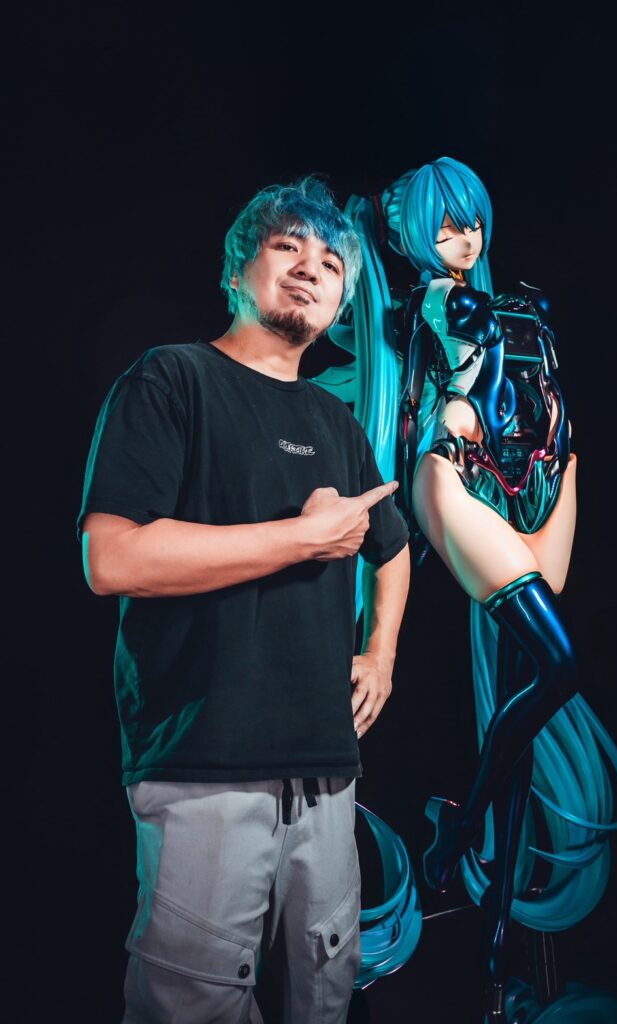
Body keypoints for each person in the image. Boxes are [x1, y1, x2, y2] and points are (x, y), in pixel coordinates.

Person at [77, 176, 411, 1024]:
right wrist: (300, 539)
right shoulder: (170, 379)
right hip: (203, 766)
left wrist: (379, 655)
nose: (309, 268)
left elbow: (392, 545)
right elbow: (112, 559)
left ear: (342, 302)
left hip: (326, 772)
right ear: (236, 270)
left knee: (324, 996)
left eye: (330, 263)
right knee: (192, 1005)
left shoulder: (337, 424)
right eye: (286, 246)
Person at [313, 157, 617, 1018]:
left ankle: (497, 937)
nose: (463, 237)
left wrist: (561, 462)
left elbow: (541, 388)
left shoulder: (513, 298)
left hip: (537, 480)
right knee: (558, 667)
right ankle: (459, 826)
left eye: (471, 222)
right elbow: (448, 367)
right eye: (444, 225)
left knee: (526, 700)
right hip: (455, 477)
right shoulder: (431, 302)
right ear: (414, 234)